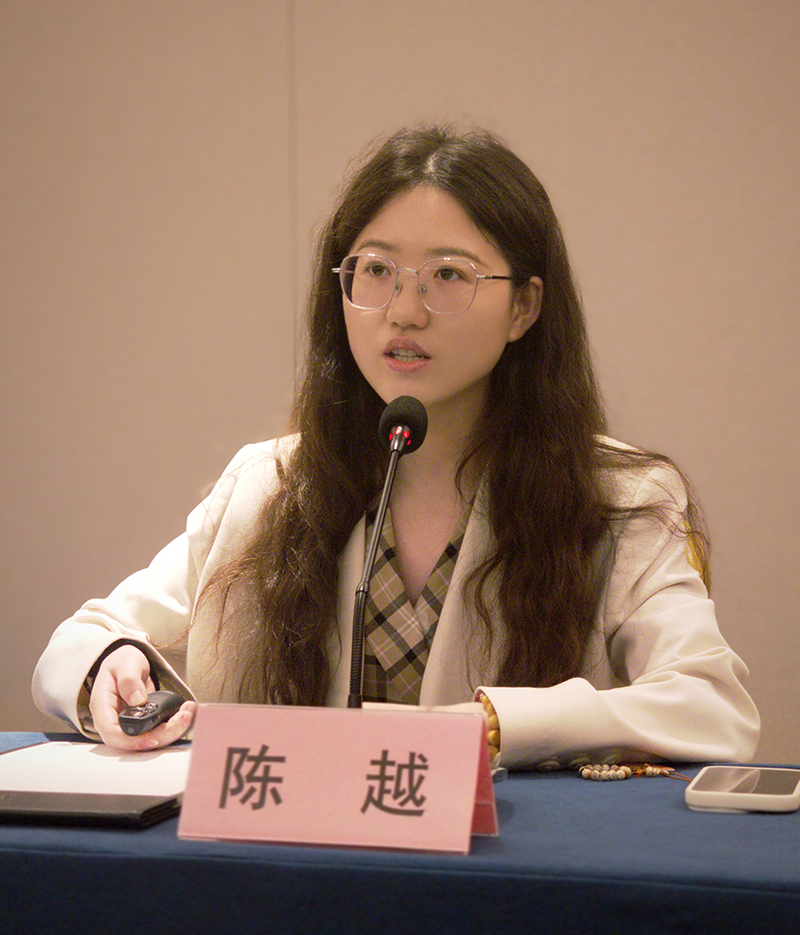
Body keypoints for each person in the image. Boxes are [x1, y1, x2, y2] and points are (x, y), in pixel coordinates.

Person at [32, 125, 759, 769]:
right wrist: (110, 668)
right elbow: (80, 642)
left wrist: (501, 725)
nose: (405, 311)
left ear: (524, 306)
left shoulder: (616, 501)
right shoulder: (270, 486)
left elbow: (711, 705)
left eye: (448, 276)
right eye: (376, 271)